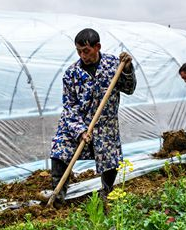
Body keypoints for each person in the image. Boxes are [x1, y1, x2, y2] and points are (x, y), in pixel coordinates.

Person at [49, 28, 136, 207]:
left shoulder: (113, 64)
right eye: (78, 51)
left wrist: (127, 69)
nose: (82, 55)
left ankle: (107, 192)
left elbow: (129, 89)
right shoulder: (71, 73)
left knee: (109, 157)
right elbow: (69, 106)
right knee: (59, 150)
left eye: (86, 51)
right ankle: (57, 197)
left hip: (105, 123)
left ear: (97, 47)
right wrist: (80, 130)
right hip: (77, 124)